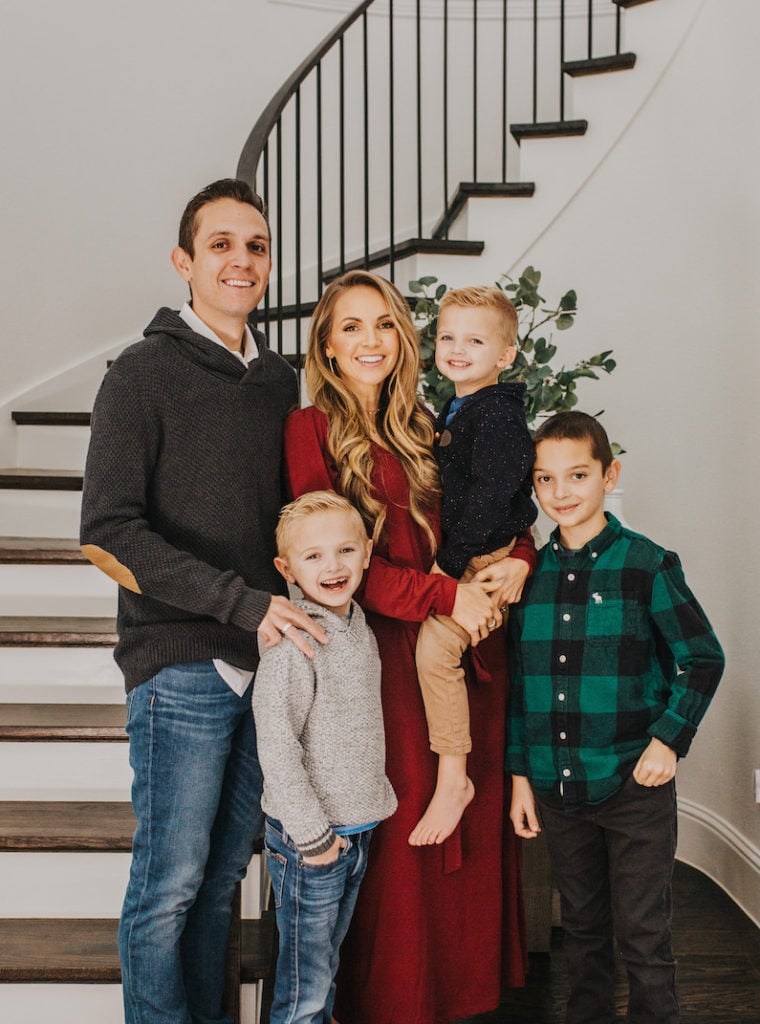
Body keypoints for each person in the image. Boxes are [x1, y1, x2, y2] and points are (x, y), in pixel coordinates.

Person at [80, 178, 326, 1024]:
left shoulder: (279, 381)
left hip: (269, 665)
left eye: (256, 246)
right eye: (221, 244)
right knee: (170, 885)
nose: (241, 260)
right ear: (183, 262)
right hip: (181, 663)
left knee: (222, 878)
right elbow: (109, 533)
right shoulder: (140, 374)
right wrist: (239, 603)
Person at [284, 269, 534, 1024]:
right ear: (328, 345)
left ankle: (465, 994)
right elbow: (329, 568)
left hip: (466, 644)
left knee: (467, 820)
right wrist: (444, 596)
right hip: (384, 659)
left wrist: (522, 556)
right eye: (351, 326)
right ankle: (398, 1000)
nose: (371, 340)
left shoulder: (432, 422)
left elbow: (499, 504)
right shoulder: (310, 430)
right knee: (403, 833)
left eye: (385, 324)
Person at [508, 410, 725, 1024]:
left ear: (610, 474)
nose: (561, 492)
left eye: (577, 474)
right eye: (545, 479)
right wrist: (520, 777)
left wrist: (668, 741)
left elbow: (702, 658)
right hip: (557, 787)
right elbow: (522, 687)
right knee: (581, 928)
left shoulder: (646, 565)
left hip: (633, 785)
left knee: (642, 932)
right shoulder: (529, 577)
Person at [253, 490, 398, 1024]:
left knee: (327, 965)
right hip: (310, 841)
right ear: (286, 569)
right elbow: (276, 744)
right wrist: (314, 838)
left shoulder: (358, 626)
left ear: (366, 554)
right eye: (313, 556)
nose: (332, 566)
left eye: (345, 550)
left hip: (354, 830)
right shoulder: (295, 643)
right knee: (306, 985)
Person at [410, 286, 537, 847]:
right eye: (447, 337)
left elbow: (490, 499)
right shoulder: (461, 408)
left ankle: (454, 777)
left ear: (505, 355)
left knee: (435, 653)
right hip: (473, 552)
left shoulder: (498, 416)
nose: (457, 349)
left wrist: (448, 564)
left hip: (482, 559)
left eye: (475, 341)